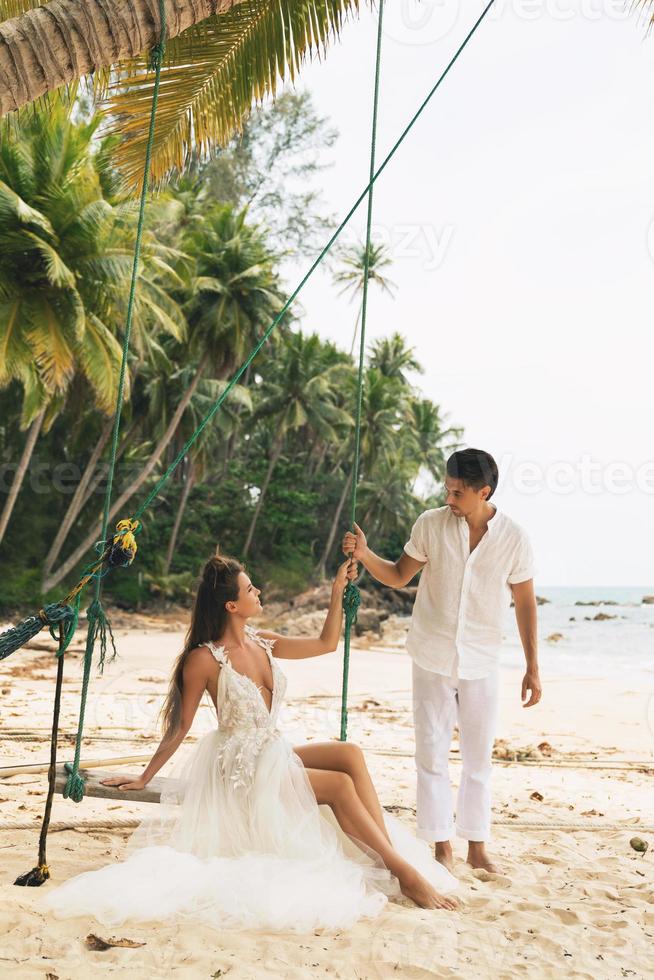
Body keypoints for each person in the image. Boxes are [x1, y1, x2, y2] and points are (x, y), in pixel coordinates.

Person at [42, 553, 459, 933]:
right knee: (339, 787)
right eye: (250, 589)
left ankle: (381, 855)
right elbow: (180, 727)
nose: (258, 592)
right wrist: (143, 776)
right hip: (240, 769)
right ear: (231, 606)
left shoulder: (264, 641)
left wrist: (336, 593)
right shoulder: (203, 660)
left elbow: (326, 644)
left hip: (270, 752)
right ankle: (403, 873)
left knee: (348, 754)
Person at [342, 448, 541, 876]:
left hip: (483, 659)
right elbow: (398, 575)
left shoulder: (514, 537)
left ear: (483, 492)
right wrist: (364, 554)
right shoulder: (430, 524)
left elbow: (524, 602)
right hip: (431, 654)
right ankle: (441, 847)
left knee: (478, 759)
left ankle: (477, 847)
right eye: (446, 489)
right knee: (430, 754)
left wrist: (532, 666)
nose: (448, 499)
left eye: (457, 492)